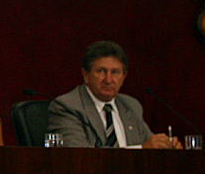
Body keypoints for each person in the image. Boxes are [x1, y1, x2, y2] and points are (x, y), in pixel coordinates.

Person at [46, 40, 183, 149]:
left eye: (115, 72)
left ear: (124, 77)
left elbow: (149, 142)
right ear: (85, 75)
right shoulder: (67, 106)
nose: (108, 79)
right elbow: (79, 156)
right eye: (101, 71)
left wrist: (166, 146)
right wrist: (140, 149)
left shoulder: (130, 105)